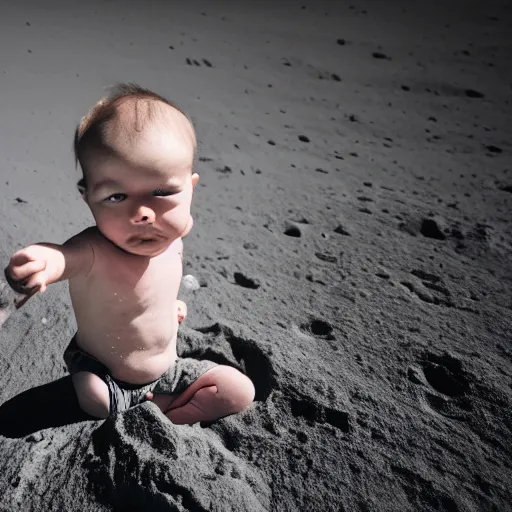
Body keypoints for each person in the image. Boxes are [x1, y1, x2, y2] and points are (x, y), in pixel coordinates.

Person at [3, 83, 255, 422]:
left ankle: (167, 415)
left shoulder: (173, 240)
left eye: (162, 192)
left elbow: (150, 291)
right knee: (95, 399)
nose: (143, 214)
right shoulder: (93, 250)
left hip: (168, 371)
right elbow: (63, 257)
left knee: (239, 390)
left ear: (190, 188)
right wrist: (42, 263)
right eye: (117, 197)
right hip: (104, 372)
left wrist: (169, 309)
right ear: (88, 197)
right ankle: (147, 413)